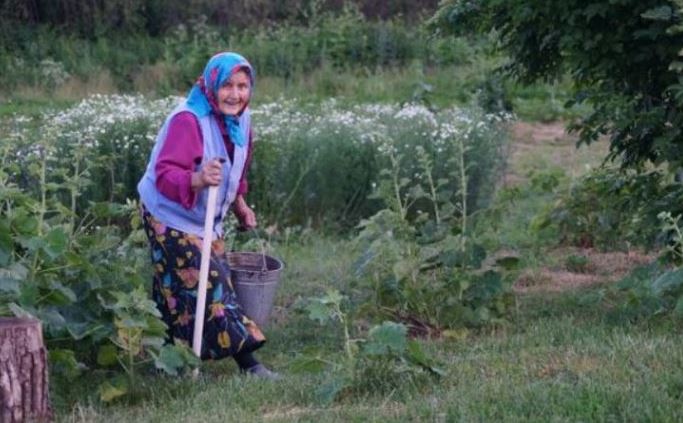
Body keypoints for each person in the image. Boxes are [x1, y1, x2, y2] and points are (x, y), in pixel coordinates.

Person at [137, 52, 278, 379]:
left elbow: (236, 167)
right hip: (167, 214)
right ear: (212, 84)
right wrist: (198, 179)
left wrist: (240, 204)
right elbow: (166, 174)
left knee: (173, 286)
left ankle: (166, 360)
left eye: (243, 86)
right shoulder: (189, 120)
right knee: (210, 282)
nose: (235, 93)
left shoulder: (242, 119)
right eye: (227, 85)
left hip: (206, 219)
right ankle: (250, 365)